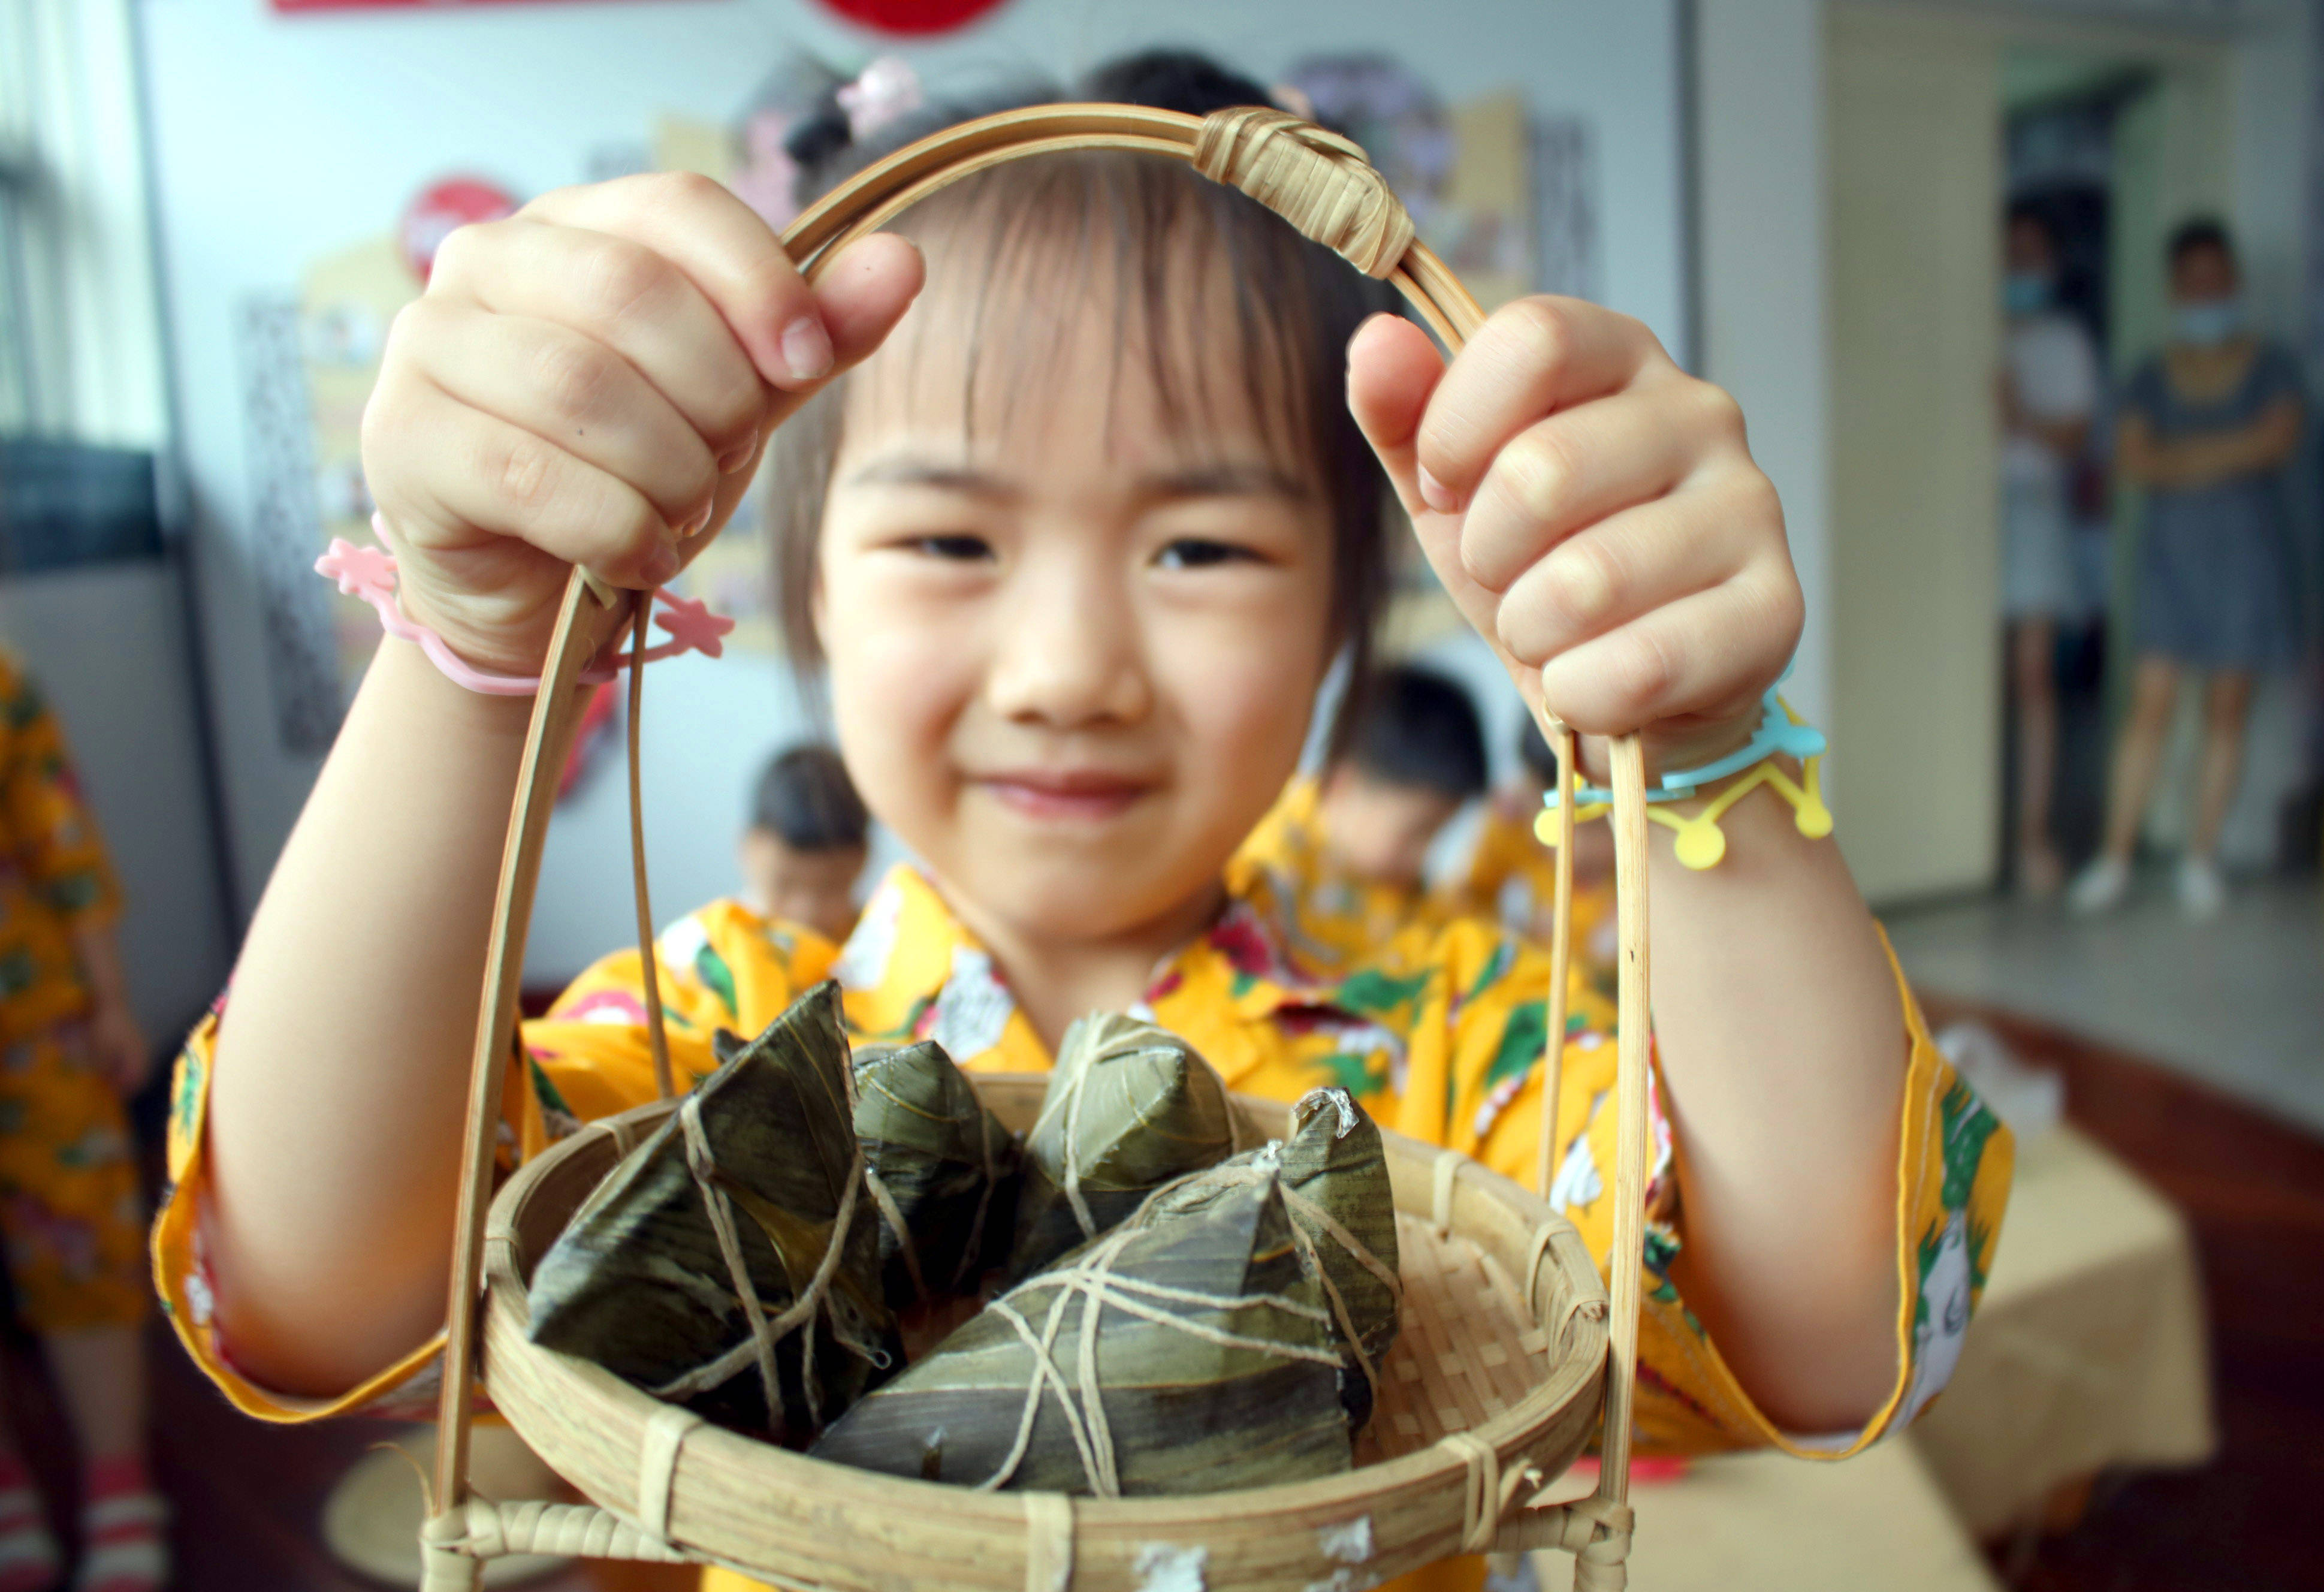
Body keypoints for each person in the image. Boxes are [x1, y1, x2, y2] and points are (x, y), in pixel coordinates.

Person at [154, 50, 2013, 1592]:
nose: (1064, 667)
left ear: (1348, 610)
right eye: (949, 540)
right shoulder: (724, 1041)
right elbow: (311, 1295)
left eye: (1198, 545)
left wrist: (1689, 743)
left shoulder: (1442, 1056)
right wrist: (479, 646)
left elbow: (1849, 1333)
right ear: (804, 590)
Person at [2071, 217, 2304, 919]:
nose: (2205, 291)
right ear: (2175, 289)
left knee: (2226, 708)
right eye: (2191, 281)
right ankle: (2115, 857)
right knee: (2151, 706)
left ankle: (2200, 857)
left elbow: (2278, 442)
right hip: (2168, 561)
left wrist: (2183, 460)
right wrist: (2232, 450)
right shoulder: (2148, 371)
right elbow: (2135, 459)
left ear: (2233, 279)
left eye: (2216, 277)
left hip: (2248, 560)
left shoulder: (2273, 364)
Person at [0, 654, 166, 1592]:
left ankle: (117, 1477)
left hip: (33, 1017)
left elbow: (61, 840)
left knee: (81, 1241)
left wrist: (108, 998)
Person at [1232, 662, 1486, 960]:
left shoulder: (1403, 889)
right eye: (1417, 833)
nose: (1423, 858)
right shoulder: (1259, 868)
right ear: (1343, 785)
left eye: (1437, 836)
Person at [1998, 203, 2099, 898]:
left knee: (2032, 676)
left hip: (2032, 513)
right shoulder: (1970, 327)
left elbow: (2073, 441)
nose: (2019, 266)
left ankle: (2031, 834)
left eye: (2032, 253)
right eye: (2010, 253)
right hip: (1961, 519)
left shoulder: (2065, 342)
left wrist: (2017, 413)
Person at [1444, 714, 1618, 981]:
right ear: (1525, 791)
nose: (1573, 848)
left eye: (1598, 826)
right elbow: (1462, 902)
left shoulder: (1653, 863)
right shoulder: (1508, 823)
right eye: (1550, 817)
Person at [740, 743, 871, 942]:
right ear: (749, 848)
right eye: (784, 884)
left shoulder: (882, 949)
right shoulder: (695, 955)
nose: (806, 913)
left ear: (862, 859)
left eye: (831, 887)